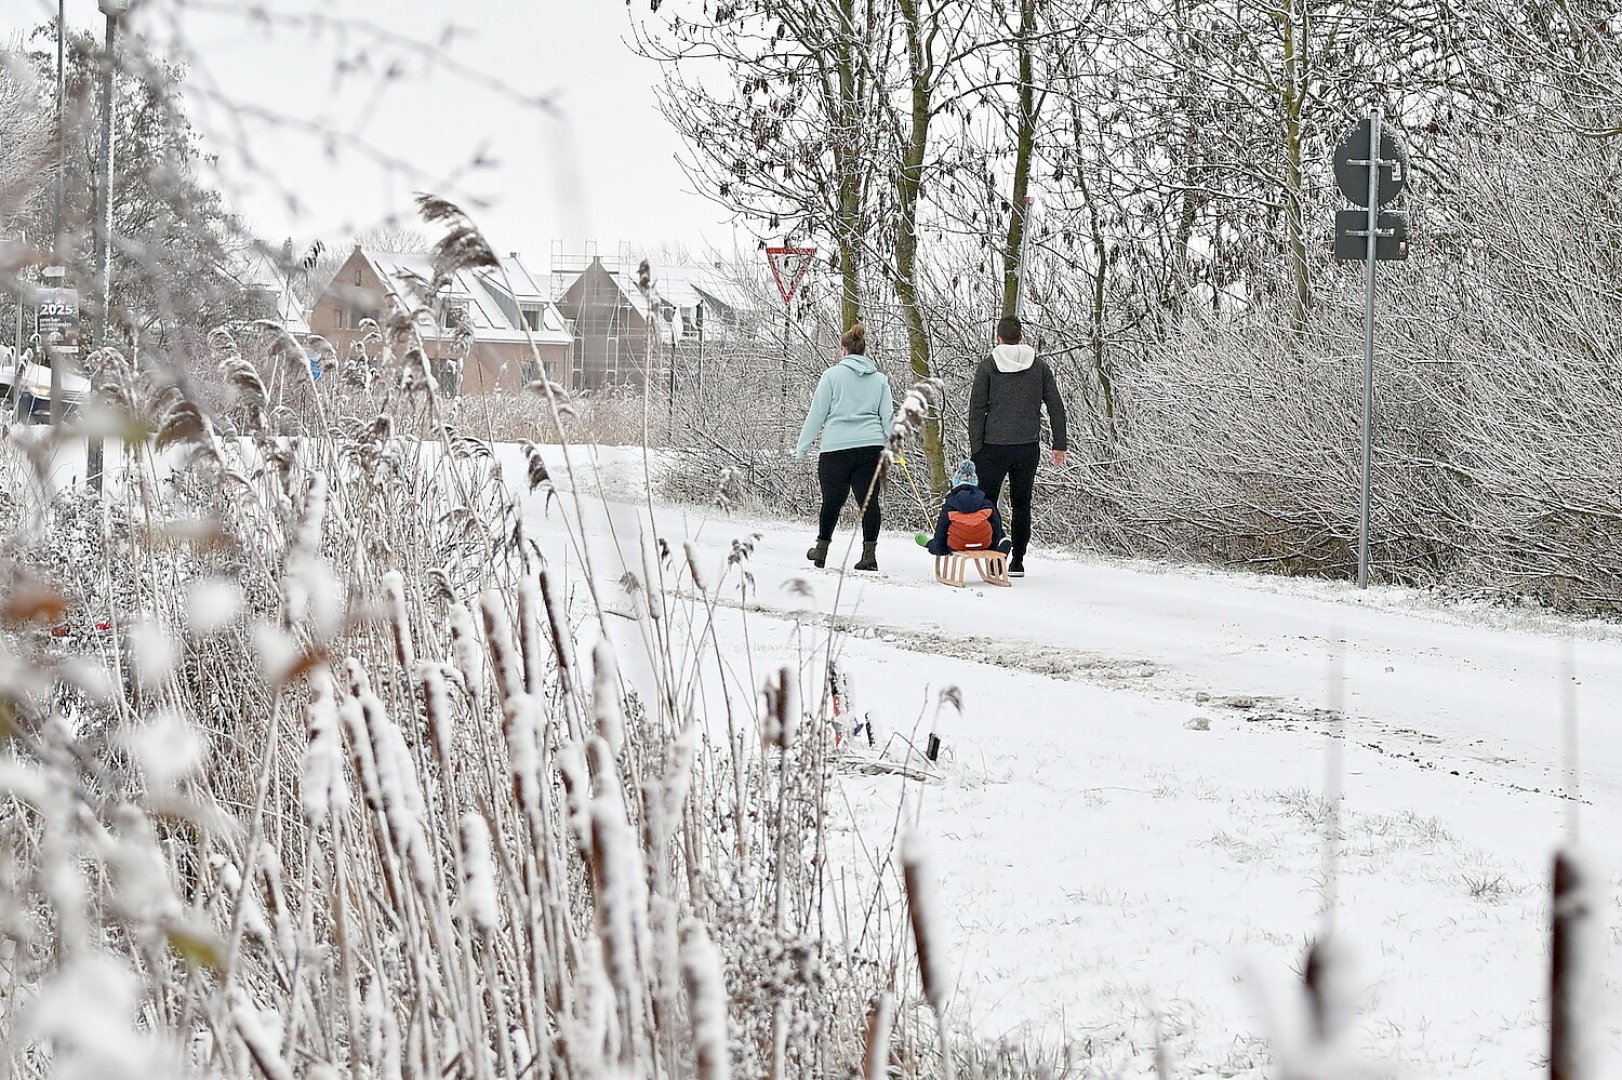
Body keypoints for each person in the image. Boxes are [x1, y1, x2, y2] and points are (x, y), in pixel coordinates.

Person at [967, 314, 1068, 577]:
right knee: (1022, 502)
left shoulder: (988, 366)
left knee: (987, 503)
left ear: (998, 338)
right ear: (1021, 337)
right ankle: (1018, 560)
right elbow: (1056, 406)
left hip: (992, 446)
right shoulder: (1039, 367)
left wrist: (975, 447)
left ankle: (993, 557)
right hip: (1027, 446)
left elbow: (976, 409)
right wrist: (1059, 444)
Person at [795, 323, 894, 572]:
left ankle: (821, 550)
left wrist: (802, 447)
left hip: (835, 449)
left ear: (844, 350)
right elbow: (888, 418)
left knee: (831, 501)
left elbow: (817, 413)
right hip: (871, 447)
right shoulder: (880, 379)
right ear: (863, 350)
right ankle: (869, 555)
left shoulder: (831, 376)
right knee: (868, 502)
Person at [926, 460, 1012, 557]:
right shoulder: (985, 502)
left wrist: (938, 548)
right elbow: (996, 526)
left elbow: (942, 529)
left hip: (957, 544)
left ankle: (929, 544)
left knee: (944, 539)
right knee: (992, 528)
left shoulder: (950, 503)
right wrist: (993, 546)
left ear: (956, 482)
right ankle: (1002, 544)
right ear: (975, 482)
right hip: (983, 543)